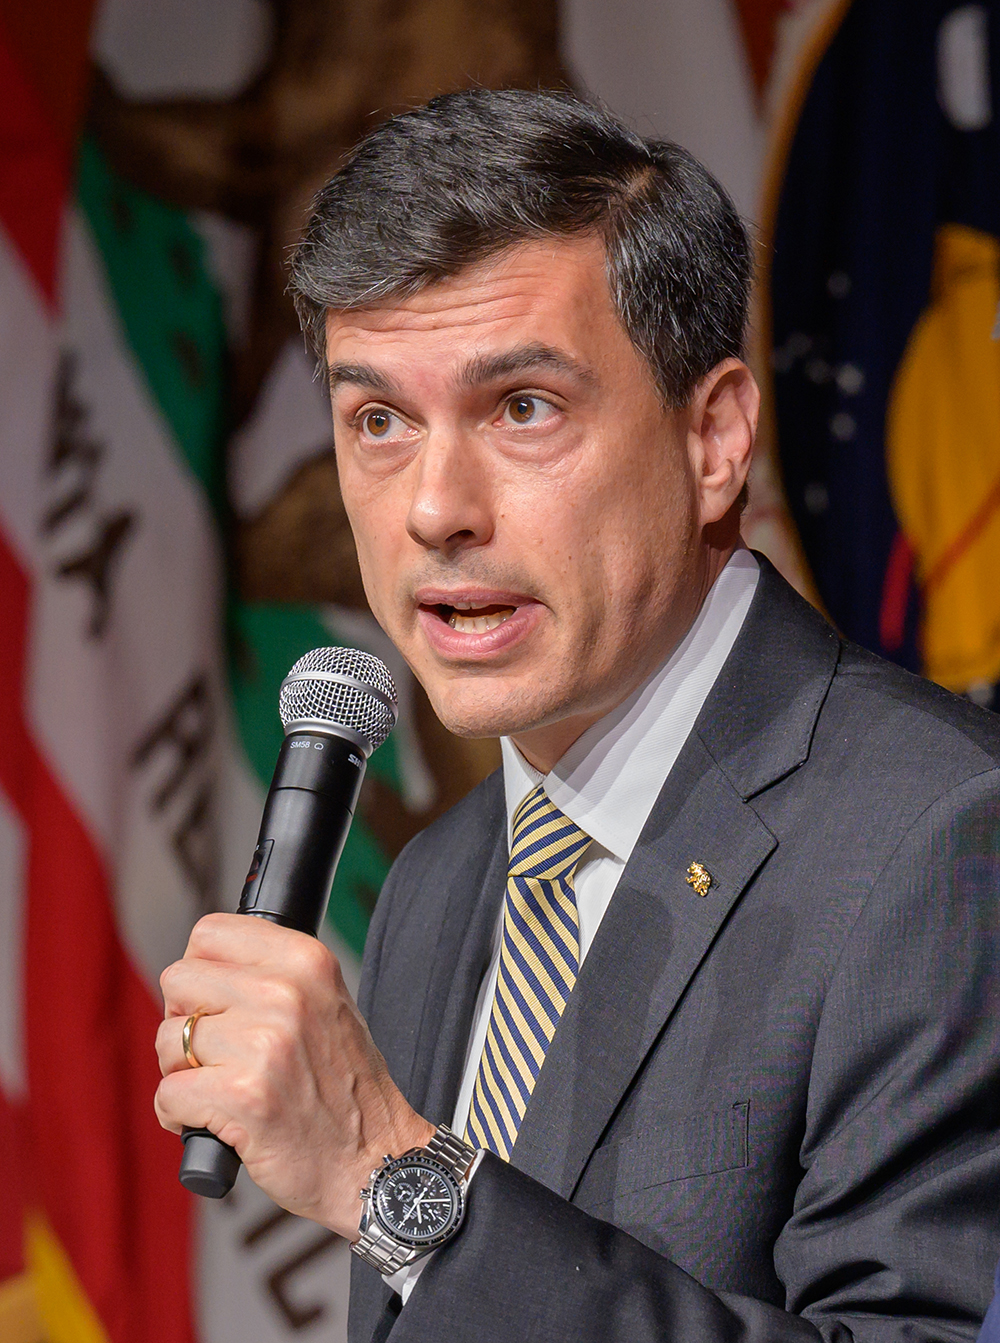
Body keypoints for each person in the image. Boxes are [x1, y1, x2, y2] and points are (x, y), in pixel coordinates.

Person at [154, 90, 1000, 1341]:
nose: (435, 507)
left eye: (522, 407)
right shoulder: (439, 881)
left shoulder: (945, 835)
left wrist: (391, 1175)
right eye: (378, 419)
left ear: (714, 438)